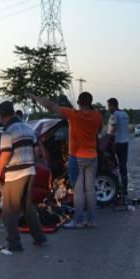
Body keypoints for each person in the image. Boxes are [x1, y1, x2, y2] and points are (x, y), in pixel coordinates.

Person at [31, 92, 103, 229]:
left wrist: (35, 97)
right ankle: (91, 220)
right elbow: (98, 131)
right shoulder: (97, 116)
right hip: (92, 156)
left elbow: (51, 106)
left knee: (78, 190)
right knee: (90, 189)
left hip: (77, 156)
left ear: (78, 102)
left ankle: (78, 221)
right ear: (91, 102)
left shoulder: (73, 114)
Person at [0, 101, 46, 252]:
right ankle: (39, 237)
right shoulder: (28, 128)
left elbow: (6, 152)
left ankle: (14, 244)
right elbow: (36, 151)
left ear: (2, 116)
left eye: (0, 116)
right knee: (27, 207)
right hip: (30, 171)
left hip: (15, 174)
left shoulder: (8, 130)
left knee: (8, 211)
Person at [107, 97, 130, 202]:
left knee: (112, 165)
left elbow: (113, 129)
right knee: (123, 166)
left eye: (108, 106)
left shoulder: (114, 115)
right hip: (125, 143)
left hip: (117, 143)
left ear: (113, 105)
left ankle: (116, 186)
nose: (108, 108)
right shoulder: (125, 114)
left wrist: (107, 139)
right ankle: (124, 189)